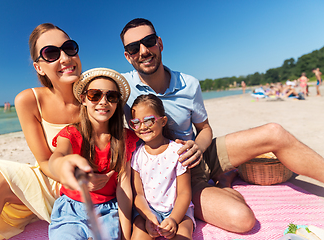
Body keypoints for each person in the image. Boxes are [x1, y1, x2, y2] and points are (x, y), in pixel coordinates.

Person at [120, 18, 324, 233]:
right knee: (242, 220)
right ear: (128, 56)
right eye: (133, 48)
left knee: (275, 132)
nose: (143, 51)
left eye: (149, 41)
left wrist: (197, 147)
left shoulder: (189, 84)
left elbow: (205, 129)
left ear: (159, 43)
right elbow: (89, 96)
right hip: (176, 178)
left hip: (201, 154)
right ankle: (224, 182)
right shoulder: (121, 87)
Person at [0, 23, 83, 240]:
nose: (65, 58)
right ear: (39, 67)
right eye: (51, 53)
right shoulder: (29, 100)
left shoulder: (97, 95)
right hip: (51, 171)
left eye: (69, 48)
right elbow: (45, 161)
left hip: (75, 184)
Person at [48, 68, 138, 240]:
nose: (103, 101)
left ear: (117, 102)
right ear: (83, 99)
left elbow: (124, 189)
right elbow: (57, 158)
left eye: (111, 96)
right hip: (70, 209)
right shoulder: (72, 134)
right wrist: (67, 168)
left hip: (108, 209)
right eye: (95, 95)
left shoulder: (124, 139)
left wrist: (126, 236)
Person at [130, 94, 195, 239]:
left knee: (184, 233)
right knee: (138, 234)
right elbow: (138, 194)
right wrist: (148, 216)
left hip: (178, 210)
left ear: (163, 121)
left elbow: (184, 193)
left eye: (149, 120)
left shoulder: (178, 151)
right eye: (136, 122)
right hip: (147, 211)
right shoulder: (137, 155)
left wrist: (173, 219)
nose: (143, 127)